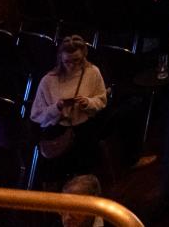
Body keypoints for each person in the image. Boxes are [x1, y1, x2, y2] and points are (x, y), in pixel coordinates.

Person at [29, 35, 110, 184]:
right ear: (60, 59)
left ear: (84, 56)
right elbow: (36, 114)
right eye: (67, 62)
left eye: (76, 60)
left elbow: (102, 100)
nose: (72, 65)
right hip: (58, 130)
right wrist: (56, 108)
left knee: (83, 175)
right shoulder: (49, 80)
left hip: (84, 129)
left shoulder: (92, 72)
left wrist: (88, 102)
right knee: (57, 177)